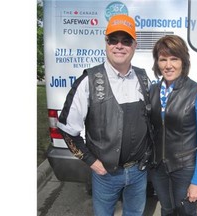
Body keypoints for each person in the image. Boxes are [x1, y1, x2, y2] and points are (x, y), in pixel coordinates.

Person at [57, 14, 152, 216]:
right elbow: (67, 129)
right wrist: (92, 162)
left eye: (126, 41)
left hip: (138, 172)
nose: (119, 46)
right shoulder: (88, 81)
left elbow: (151, 122)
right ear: (106, 42)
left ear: (134, 45)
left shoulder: (143, 78)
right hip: (106, 174)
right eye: (113, 40)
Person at [148, 35, 197, 216]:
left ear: (183, 61)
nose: (168, 65)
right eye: (163, 59)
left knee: (185, 211)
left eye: (174, 59)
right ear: (157, 63)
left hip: (184, 168)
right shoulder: (152, 91)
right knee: (167, 210)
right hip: (158, 168)